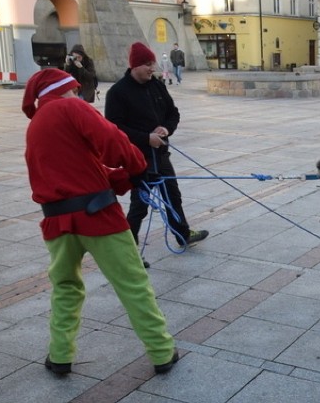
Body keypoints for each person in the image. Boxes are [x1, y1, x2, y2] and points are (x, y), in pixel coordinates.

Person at [22, 68, 179, 376]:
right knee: (133, 284)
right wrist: (139, 165)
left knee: (66, 288)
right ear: (65, 88)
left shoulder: (37, 124)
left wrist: (125, 178)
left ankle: (60, 356)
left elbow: (78, 171)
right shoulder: (71, 107)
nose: (80, 94)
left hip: (57, 222)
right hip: (99, 218)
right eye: (75, 88)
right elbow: (113, 140)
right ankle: (162, 353)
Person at [104, 42, 208, 261]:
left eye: (152, 63)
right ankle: (128, 250)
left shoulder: (157, 86)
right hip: (137, 157)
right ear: (134, 66)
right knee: (140, 205)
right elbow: (113, 128)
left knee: (173, 196)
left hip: (161, 154)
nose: (152, 68)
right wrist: (145, 138)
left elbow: (173, 113)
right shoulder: (118, 92)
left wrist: (166, 128)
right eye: (147, 64)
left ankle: (183, 234)